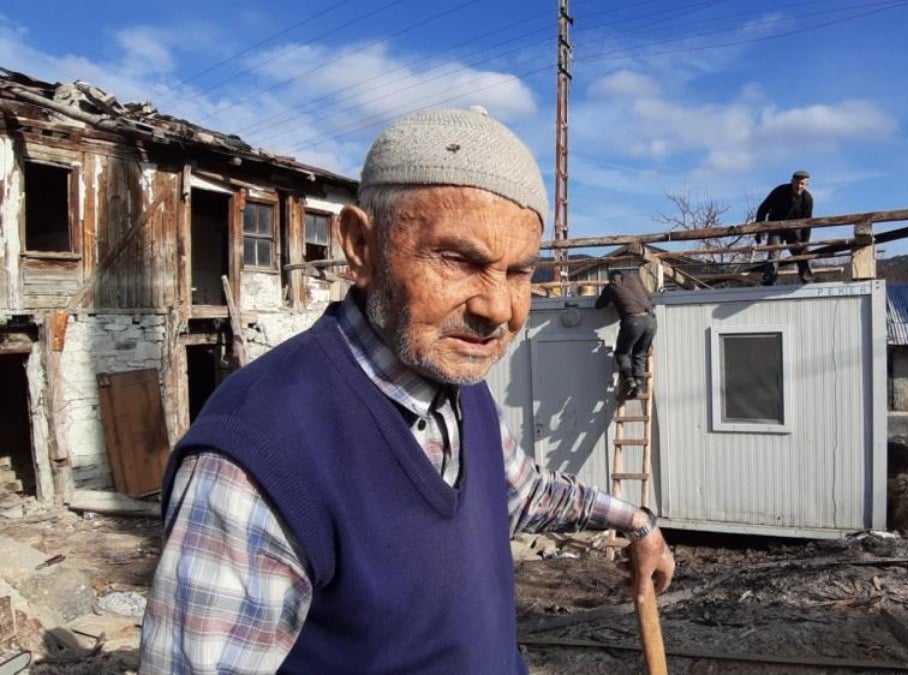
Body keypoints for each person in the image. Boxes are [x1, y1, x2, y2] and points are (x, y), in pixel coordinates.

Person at [139, 108, 674, 674]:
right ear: (361, 246)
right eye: (458, 259)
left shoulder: (458, 388)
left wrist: (634, 521)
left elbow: (520, 492)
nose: (498, 309)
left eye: (520, 273)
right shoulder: (259, 455)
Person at [594, 269, 657, 398]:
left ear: (611, 278)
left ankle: (630, 381)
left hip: (633, 321)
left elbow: (599, 305)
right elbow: (649, 297)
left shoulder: (612, 286)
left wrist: (614, 298)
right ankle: (639, 385)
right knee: (640, 354)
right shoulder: (635, 280)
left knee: (622, 353)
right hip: (651, 321)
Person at [754, 169, 814, 285]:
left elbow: (808, 222)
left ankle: (807, 279)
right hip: (776, 227)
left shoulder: (807, 199)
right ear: (792, 181)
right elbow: (763, 208)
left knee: (801, 252)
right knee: (774, 253)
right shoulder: (780, 191)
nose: (799, 186)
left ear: (807, 185)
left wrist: (805, 241)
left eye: (802, 184)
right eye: (797, 182)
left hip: (795, 229)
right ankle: (769, 280)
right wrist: (758, 230)